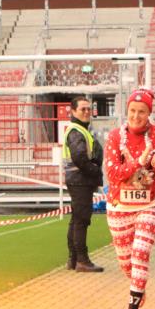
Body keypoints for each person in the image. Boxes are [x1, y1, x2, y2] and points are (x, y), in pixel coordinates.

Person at [104, 88, 155, 309]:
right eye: (133, 111)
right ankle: (138, 286)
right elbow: (113, 174)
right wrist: (138, 162)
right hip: (120, 205)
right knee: (126, 262)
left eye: (142, 112)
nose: (136, 116)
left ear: (149, 113)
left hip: (151, 203)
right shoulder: (115, 137)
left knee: (141, 251)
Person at [62, 96, 104, 272]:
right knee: (81, 221)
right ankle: (82, 260)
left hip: (78, 180)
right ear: (73, 111)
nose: (87, 112)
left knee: (76, 220)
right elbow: (79, 157)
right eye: (83, 109)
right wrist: (94, 170)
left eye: (88, 109)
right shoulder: (76, 131)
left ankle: (73, 260)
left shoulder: (79, 129)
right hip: (80, 180)